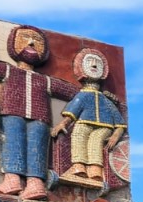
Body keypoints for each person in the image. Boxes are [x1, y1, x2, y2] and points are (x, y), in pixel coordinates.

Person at [0, 25, 79, 200]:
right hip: (12, 112)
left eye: (37, 40)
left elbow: (74, 93)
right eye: (25, 38)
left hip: (40, 117)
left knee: (36, 148)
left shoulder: (45, 80)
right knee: (13, 143)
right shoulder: (7, 70)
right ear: (14, 43)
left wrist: (68, 117)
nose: (30, 42)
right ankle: (12, 179)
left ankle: (35, 183)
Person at [52, 48, 126, 188]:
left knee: (93, 140)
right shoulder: (84, 95)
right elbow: (73, 110)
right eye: (90, 62)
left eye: (97, 63)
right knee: (81, 136)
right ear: (82, 68)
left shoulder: (104, 99)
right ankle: (82, 168)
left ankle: (93, 170)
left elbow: (120, 123)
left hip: (105, 126)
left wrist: (115, 136)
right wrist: (63, 123)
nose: (93, 65)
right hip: (88, 123)